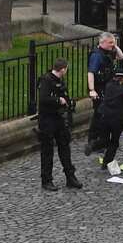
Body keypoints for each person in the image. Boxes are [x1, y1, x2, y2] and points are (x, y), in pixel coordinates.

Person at [35, 58, 82, 192]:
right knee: (47, 150)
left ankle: (70, 177)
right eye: (66, 69)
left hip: (59, 118)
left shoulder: (59, 81)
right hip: (47, 120)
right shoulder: (46, 80)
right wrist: (58, 100)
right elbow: (43, 98)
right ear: (63, 69)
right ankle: (47, 180)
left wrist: (68, 102)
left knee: (65, 148)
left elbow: (64, 95)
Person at [85, 32, 122, 154]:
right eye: (110, 42)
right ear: (102, 43)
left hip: (107, 87)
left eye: (113, 42)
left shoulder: (108, 52)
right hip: (99, 89)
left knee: (105, 115)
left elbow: (121, 57)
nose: (113, 44)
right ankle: (94, 141)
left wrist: (114, 46)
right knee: (99, 115)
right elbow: (91, 72)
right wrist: (92, 90)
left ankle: (101, 141)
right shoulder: (97, 56)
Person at [97, 70, 123, 172]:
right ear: (122, 79)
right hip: (117, 120)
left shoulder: (109, 86)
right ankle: (106, 162)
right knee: (114, 142)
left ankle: (92, 145)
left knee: (104, 139)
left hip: (105, 116)